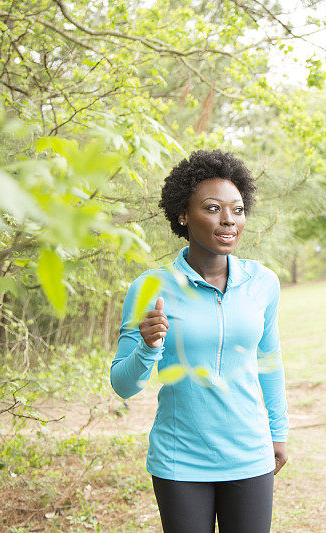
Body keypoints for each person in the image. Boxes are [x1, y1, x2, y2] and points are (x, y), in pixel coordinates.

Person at [110, 150, 288, 533]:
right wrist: (148, 347)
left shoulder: (262, 283)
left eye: (237, 210)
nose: (228, 220)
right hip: (181, 460)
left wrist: (278, 432)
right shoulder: (151, 288)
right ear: (183, 215)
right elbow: (123, 386)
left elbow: (269, 360)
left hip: (250, 454)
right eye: (213, 208)